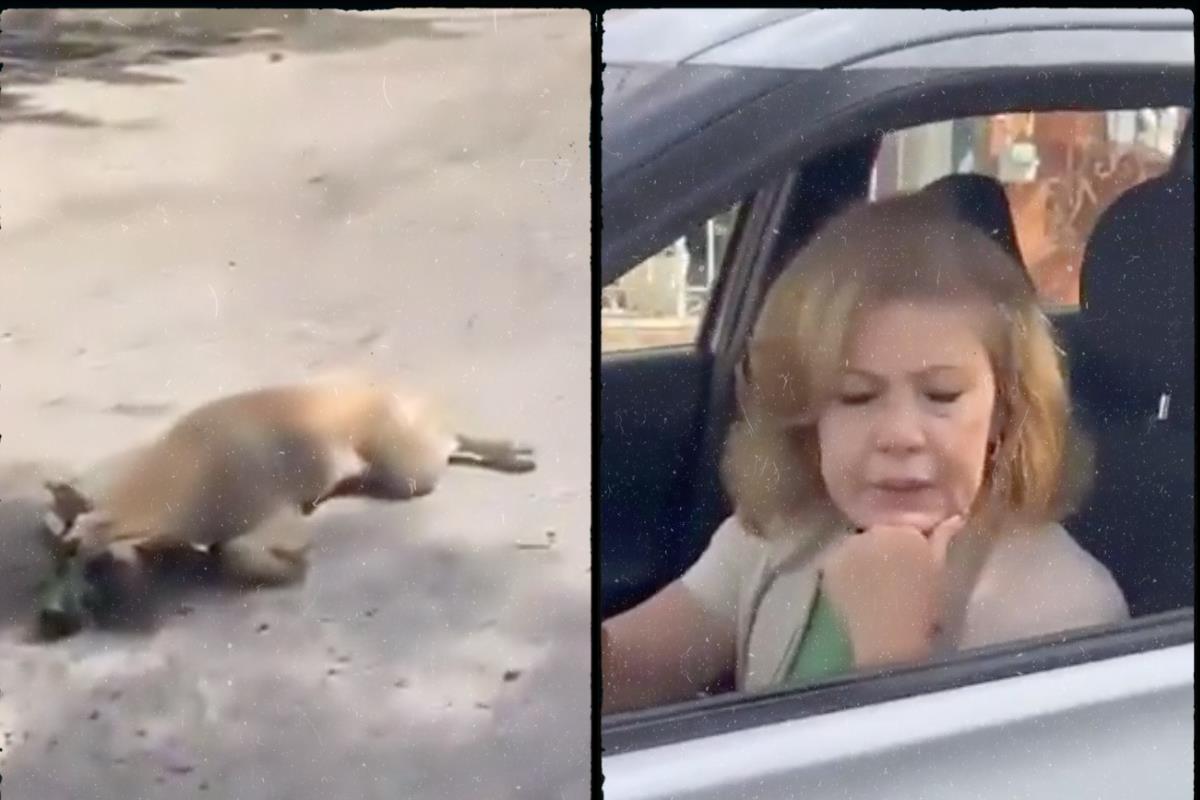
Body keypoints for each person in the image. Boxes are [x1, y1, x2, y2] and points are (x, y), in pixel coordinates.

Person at [601, 191, 1129, 714]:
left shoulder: (1061, 608)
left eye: (941, 395)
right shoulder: (783, 533)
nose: (901, 434)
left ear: (1004, 411)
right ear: (808, 417)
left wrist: (892, 649)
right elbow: (636, 667)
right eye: (857, 396)